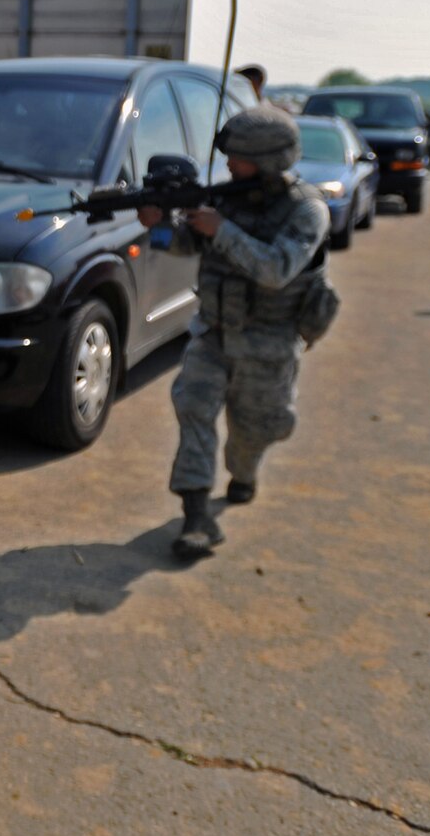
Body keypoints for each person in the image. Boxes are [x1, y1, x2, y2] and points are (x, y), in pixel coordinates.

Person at [138, 105, 331, 558]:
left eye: (238, 158)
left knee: (257, 429)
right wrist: (160, 226)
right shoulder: (226, 198)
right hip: (214, 333)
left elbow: (276, 269)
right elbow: (187, 244)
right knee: (194, 410)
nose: (228, 166)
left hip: (270, 341)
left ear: (266, 160)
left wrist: (221, 229)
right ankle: (197, 517)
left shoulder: (308, 210)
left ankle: (244, 472)